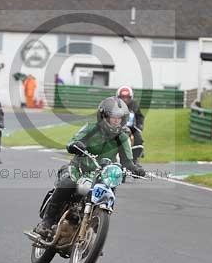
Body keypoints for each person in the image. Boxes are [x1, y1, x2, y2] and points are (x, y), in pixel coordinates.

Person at [34, 97, 146, 238]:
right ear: (104, 116)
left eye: (119, 118)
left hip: (102, 175)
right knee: (67, 183)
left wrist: (135, 169)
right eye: (113, 117)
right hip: (79, 169)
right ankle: (47, 222)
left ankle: (92, 238)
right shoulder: (92, 128)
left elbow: (127, 162)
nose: (117, 120)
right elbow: (73, 141)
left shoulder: (122, 137)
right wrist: (76, 145)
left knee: (109, 193)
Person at [116, 85, 145, 162]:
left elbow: (140, 116)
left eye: (127, 97)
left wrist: (139, 126)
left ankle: (136, 155)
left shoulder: (134, 105)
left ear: (130, 97)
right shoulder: (114, 105)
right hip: (116, 128)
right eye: (122, 97)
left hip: (131, 128)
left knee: (138, 138)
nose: (125, 100)